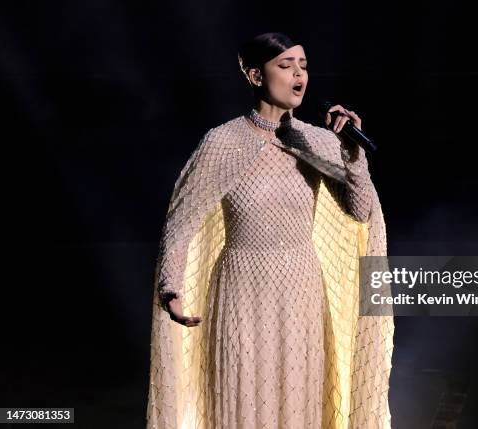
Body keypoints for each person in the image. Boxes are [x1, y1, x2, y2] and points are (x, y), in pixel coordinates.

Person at [146, 32, 394, 429]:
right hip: (240, 291)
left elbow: (360, 212)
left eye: (304, 66)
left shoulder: (318, 140)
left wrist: (352, 153)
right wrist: (170, 289)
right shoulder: (223, 142)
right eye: (286, 65)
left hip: (301, 290)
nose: (299, 74)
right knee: (242, 398)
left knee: (300, 399)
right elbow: (182, 221)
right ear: (256, 75)